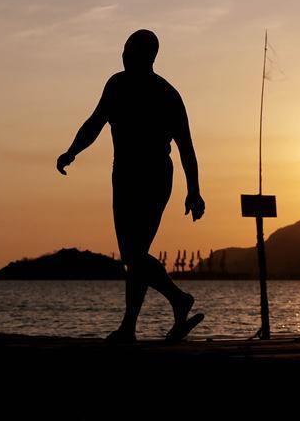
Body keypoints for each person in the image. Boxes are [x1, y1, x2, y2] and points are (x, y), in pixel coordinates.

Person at [56, 29, 206, 343]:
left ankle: (176, 300)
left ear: (145, 55)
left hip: (153, 175)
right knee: (135, 254)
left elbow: (186, 147)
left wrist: (194, 190)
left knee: (133, 253)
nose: (123, 55)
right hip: (124, 174)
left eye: (129, 50)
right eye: (124, 49)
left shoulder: (165, 94)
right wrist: (72, 151)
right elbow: (95, 122)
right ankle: (129, 327)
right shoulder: (118, 85)